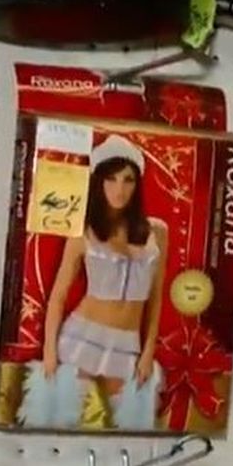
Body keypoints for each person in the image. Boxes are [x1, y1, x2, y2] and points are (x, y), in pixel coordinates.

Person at [41, 136, 167, 429]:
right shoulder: (82, 232)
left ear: (137, 185)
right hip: (80, 337)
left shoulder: (157, 232)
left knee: (127, 428)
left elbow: (156, 296)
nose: (119, 189)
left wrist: (148, 351)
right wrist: (49, 351)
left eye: (128, 180)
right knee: (64, 424)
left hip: (128, 344)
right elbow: (58, 297)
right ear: (98, 181)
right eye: (111, 179)